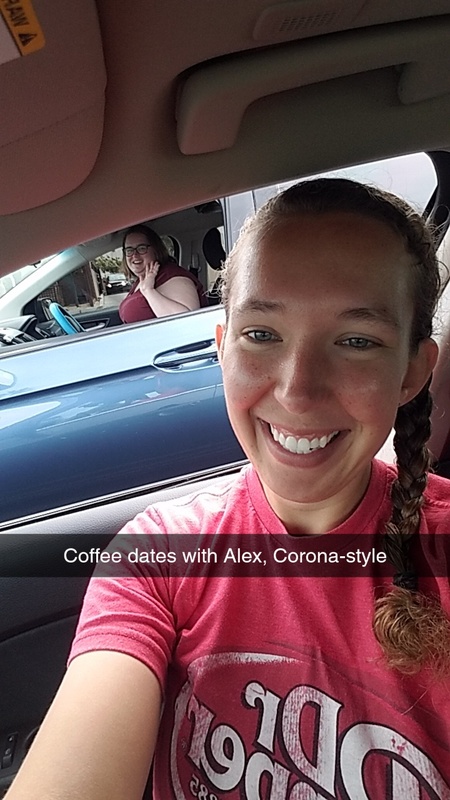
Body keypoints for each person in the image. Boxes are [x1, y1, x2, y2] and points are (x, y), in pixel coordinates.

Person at [6, 179, 450, 799]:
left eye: (355, 342)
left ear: (411, 371)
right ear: (221, 349)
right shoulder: (159, 556)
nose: (297, 390)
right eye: (262, 334)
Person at [118, 224, 206, 323]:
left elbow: (188, 322)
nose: (134, 255)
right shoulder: (144, 278)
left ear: (156, 250)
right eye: (129, 250)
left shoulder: (174, 276)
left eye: (141, 248)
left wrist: (148, 291)